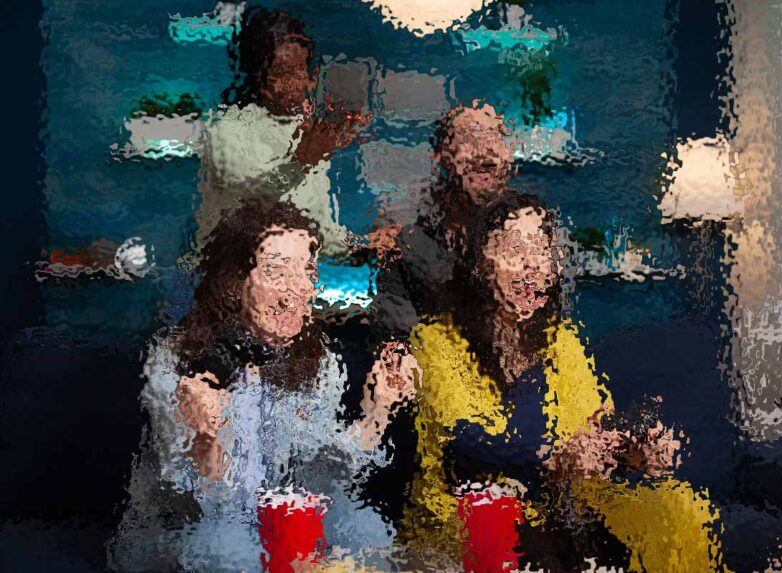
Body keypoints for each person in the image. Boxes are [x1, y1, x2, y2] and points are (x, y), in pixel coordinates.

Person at [372, 193, 728, 571]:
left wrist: (627, 450)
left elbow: (595, 424)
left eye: (542, 251)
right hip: (470, 520)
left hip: (561, 510)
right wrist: (557, 459)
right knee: (495, 514)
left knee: (678, 508)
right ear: (479, 266)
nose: (532, 265)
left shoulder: (563, 341)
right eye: (515, 250)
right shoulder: (436, 341)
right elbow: (468, 446)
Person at [109, 197, 418, 572]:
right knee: (227, 547)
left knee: (365, 527)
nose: (296, 290)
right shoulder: (176, 362)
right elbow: (206, 506)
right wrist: (206, 438)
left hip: (272, 526)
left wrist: (377, 412)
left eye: (307, 272)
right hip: (186, 532)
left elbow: (317, 482)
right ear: (233, 284)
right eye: (276, 271)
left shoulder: (319, 359)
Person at [195, 7, 372, 261]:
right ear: (256, 76)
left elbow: (317, 225)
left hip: (289, 270)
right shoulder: (226, 131)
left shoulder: (304, 131)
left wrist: (361, 249)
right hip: (233, 268)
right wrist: (300, 163)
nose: (293, 85)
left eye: (299, 71)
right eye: (280, 73)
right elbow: (248, 206)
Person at [371, 102, 517, 337]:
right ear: (440, 159)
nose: (485, 150)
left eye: (493, 136)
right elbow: (396, 329)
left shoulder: (523, 222)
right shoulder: (405, 223)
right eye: (470, 138)